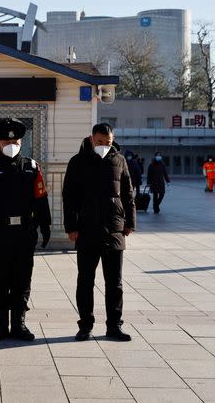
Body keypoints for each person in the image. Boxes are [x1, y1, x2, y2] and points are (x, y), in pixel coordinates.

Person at [0, 118, 51, 342]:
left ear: (21, 141)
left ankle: (19, 324)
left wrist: (46, 226)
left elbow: (41, 200)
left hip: (24, 234)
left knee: (22, 280)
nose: (11, 144)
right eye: (6, 140)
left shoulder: (31, 168)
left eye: (15, 140)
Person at [63, 123, 135, 342]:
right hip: (86, 230)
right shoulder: (78, 161)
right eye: (101, 142)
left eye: (109, 142)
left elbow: (127, 193)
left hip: (114, 229)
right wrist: (71, 226)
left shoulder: (119, 160)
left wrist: (129, 222)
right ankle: (85, 325)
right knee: (85, 280)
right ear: (92, 139)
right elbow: (69, 196)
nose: (104, 146)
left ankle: (114, 326)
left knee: (115, 282)